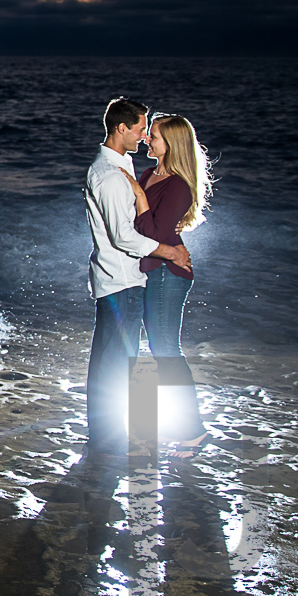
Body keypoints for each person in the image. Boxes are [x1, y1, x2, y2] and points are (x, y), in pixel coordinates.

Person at [83, 98, 190, 457]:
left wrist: (168, 242)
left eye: (150, 132)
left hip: (128, 277)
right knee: (114, 363)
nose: (144, 137)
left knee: (115, 360)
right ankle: (108, 440)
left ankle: (107, 437)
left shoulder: (126, 167)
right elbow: (125, 237)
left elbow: (155, 222)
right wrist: (171, 251)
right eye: (142, 129)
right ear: (121, 129)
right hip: (123, 278)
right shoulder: (113, 176)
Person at [126, 114, 212, 458]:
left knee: (166, 352)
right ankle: (180, 427)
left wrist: (139, 197)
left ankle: (192, 431)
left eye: (155, 136)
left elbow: (155, 234)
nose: (147, 138)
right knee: (161, 352)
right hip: (153, 269)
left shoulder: (177, 184)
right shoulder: (150, 173)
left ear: (172, 144)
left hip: (166, 275)